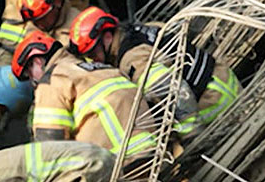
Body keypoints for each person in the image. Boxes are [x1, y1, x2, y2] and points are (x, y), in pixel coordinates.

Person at [67, 7, 240, 138]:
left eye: (92, 53)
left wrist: (190, 136)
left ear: (107, 36)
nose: (93, 60)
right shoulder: (145, 30)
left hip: (216, 107)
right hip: (227, 83)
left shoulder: (132, 59)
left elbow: (174, 91)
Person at [14, 30, 159, 161]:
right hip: (154, 153)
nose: (32, 81)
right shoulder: (101, 68)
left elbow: (49, 147)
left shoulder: (52, 80)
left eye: (29, 74)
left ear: (37, 62)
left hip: (118, 169)